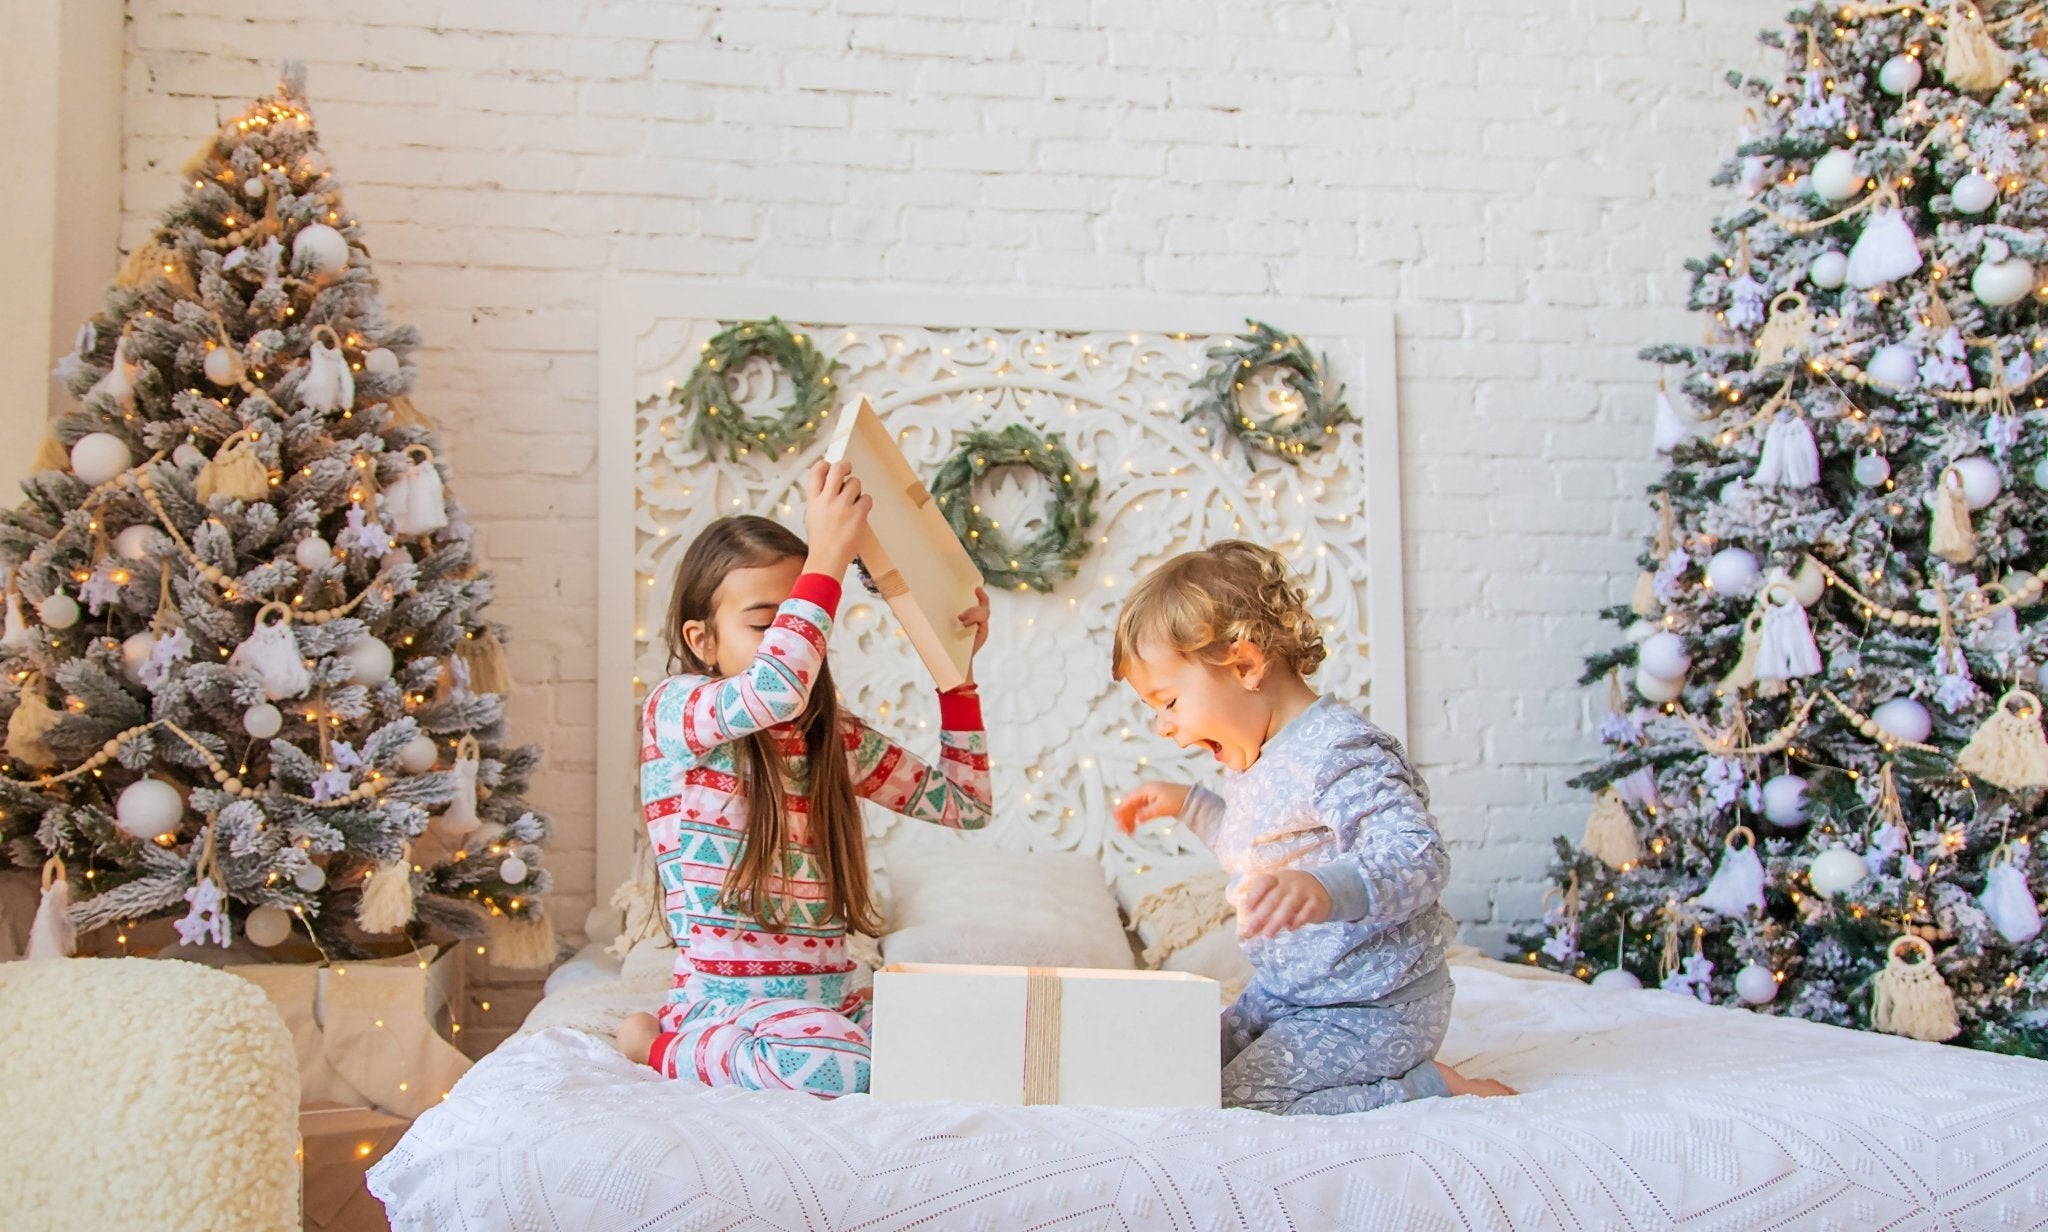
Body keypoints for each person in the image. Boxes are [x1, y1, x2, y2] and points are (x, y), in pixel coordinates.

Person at [615, 460, 992, 1097]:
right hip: (733, 1011)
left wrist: (956, 678)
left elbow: (966, 804)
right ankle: (657, 1045)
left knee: (961, 1048)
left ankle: (826, 1036)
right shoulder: (677, 709)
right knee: (846, 1071)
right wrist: (827, 558)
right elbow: (776, 689)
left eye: (804, 621)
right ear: (701, 639)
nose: (798, 640)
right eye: (768, 623)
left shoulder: (830, 736)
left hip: (831, 1001)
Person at [1112, 540, 1513, 1113]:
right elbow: (1259, 845)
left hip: (1371, 1007)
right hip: (1286, 996)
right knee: (1181, 1070)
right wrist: (1189, 805)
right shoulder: (1260, 757)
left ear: (1245, 665)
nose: (1163, 726)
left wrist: (1326, 888)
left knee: (1238, 1105)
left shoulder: (1338, 750)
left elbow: (1418, 854)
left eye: (1169, 701)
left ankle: (1425, 1085)